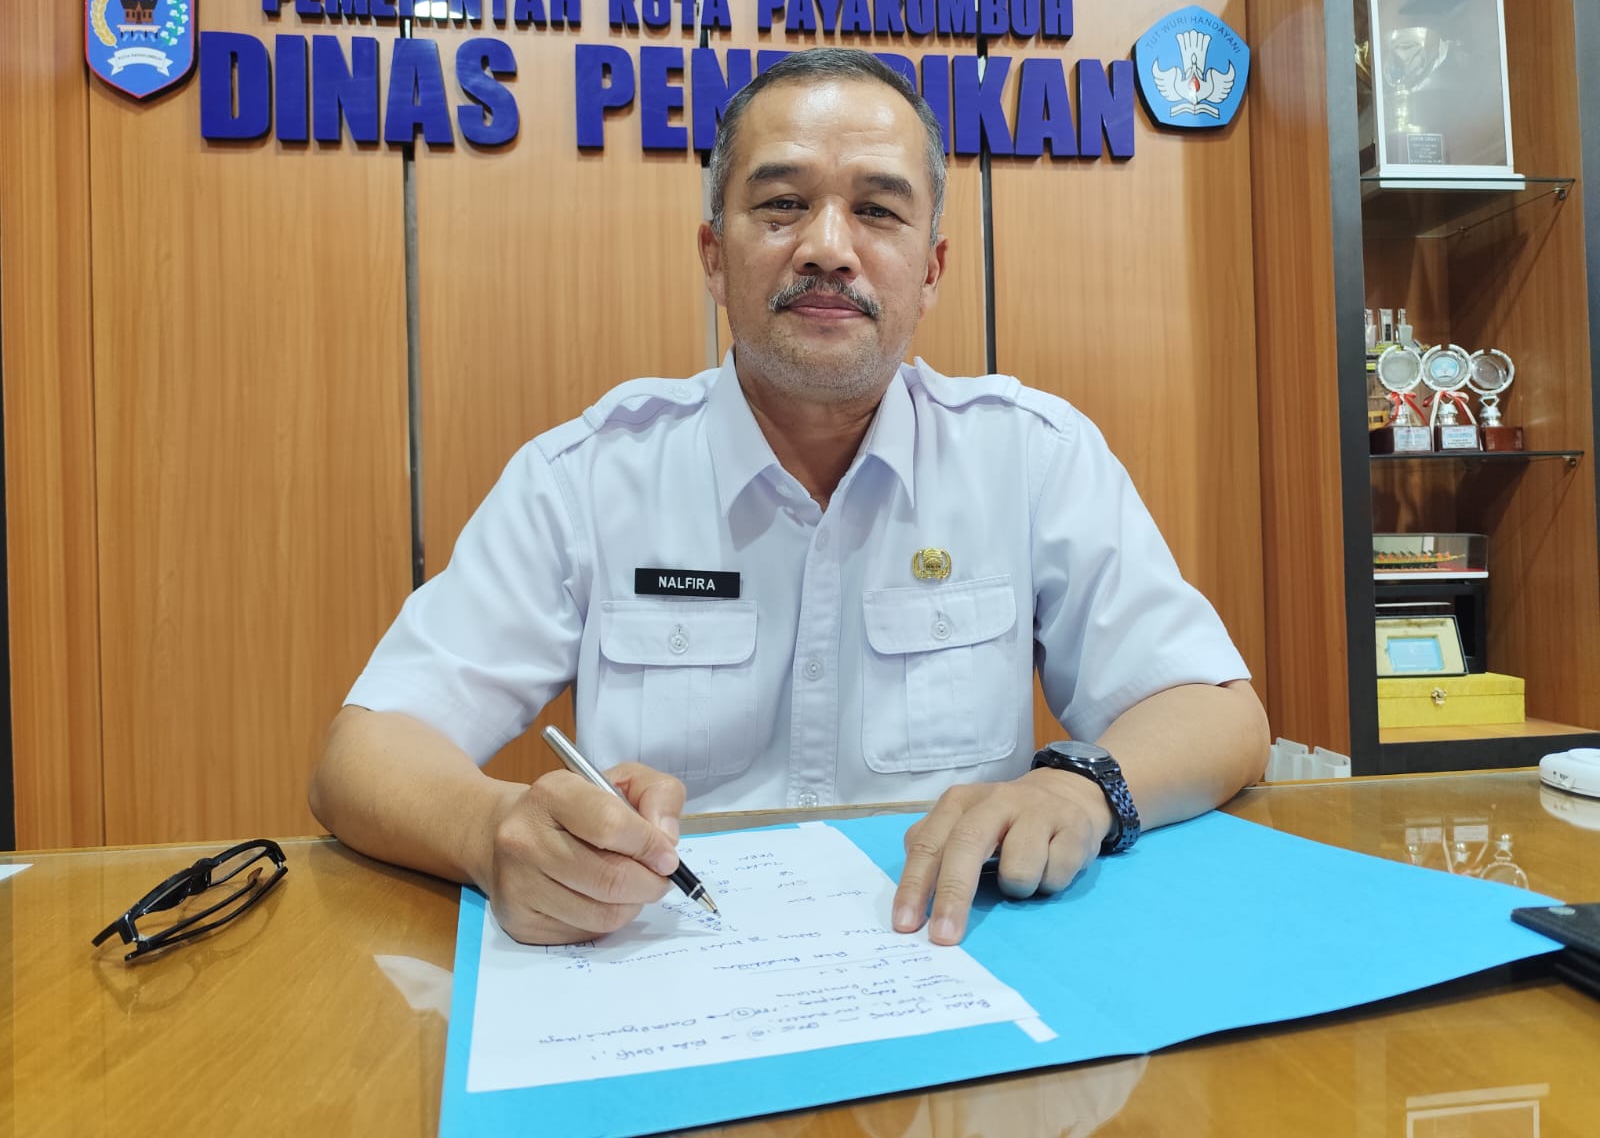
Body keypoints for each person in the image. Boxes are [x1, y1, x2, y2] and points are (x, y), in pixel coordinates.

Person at [309, 48, 1269, 950]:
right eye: (781, 205)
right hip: (668, 971)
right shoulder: (587, 478)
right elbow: (363, 753)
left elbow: (1217, 714)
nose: (829, 248)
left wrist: (1079, 787)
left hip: (951, 956)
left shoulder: (1031, 456)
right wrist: (492, 830)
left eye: (878, 211)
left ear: (931, 271)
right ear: (713, 256)